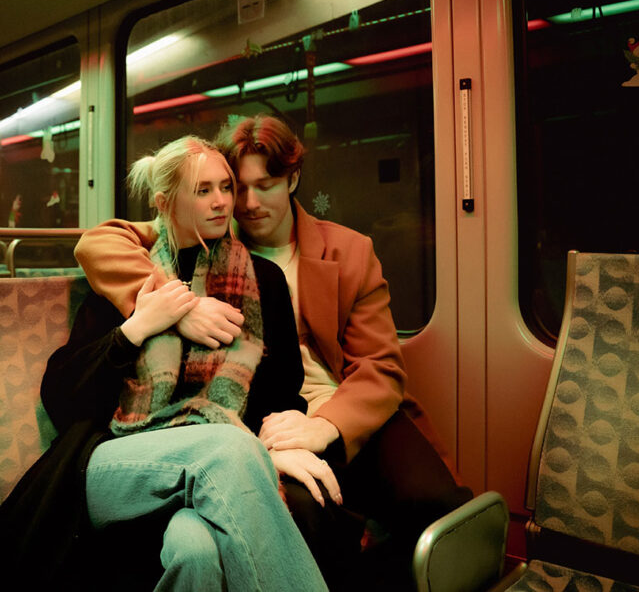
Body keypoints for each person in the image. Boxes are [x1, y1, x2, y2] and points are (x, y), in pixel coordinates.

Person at [75, 115, 474, 590]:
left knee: (430, 501)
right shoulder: (211, 235)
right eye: (232, 187)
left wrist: (325, 426)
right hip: (262, 410)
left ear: (293, 180)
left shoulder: (347, 250)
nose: (243, 202)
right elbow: (103, 240)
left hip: (340, 402)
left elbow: (380, 368)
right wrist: (178, 306)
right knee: (307, 508)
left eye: (263, 186)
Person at [0, 135, 328, 591]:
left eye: (226, 187)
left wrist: (281, 443)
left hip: (212, 467)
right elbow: (63, 401)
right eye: (203, 191)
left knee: (194, 549)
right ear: (166, 203)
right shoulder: (132, 275)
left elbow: (281, 391)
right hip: (111, 461)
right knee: (229, 448)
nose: (223, 202)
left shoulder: (263, 281)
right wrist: (138, 328)